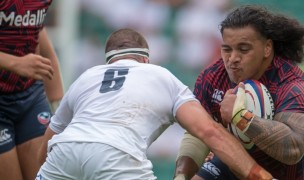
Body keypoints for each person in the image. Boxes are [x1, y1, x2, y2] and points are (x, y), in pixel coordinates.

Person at [36, 28, 272, 180]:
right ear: (145, 59)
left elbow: (50, 138)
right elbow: (209, 131)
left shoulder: (88, 76)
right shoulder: (159, 75)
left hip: (63, 153)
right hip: (117, 155)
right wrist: (257, 174)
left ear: (109, 61)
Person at [174, 5, 304, 180]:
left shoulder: (291, 84)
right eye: (227, 49)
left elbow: (293, 149)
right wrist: (181, 175)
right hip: (233, 163)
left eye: (244, 49)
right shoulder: (213, 77)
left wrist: (240, 116)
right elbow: (198, 132)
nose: (233, 58)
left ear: (267, 48)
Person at [0, 1, 64, 180]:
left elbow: (41, 42)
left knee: (45, 176)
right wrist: (15, 63)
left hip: (30, 95)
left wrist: (60, 108)